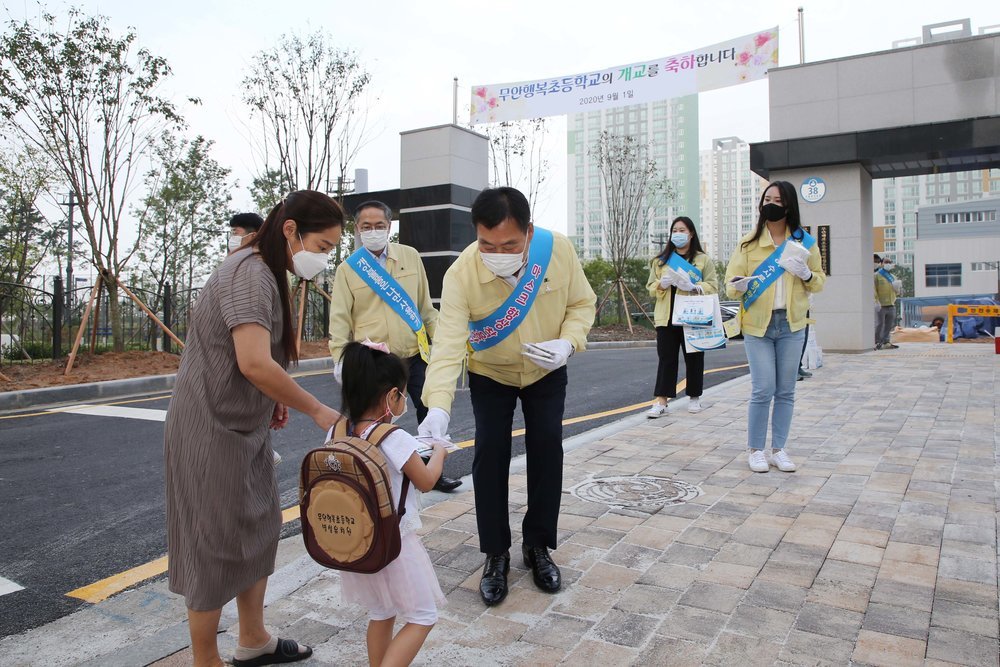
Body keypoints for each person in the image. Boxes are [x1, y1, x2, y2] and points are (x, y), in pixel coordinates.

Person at [164, 191, 344, 667]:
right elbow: (253, 362)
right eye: (322, 247)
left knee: (259, 527)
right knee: (212, 544)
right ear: (291, 231)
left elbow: (258, 367)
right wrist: (318, 411)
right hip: (209, 428)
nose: (323, 259)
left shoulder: (266, 270)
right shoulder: (248, 275)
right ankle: (206, 659)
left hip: (243, 423)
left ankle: (254, 638)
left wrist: (270, 402)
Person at [418, 187, 596, 607]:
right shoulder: (463, 272)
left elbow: (582, 304)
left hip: (545, 369)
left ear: (529, 234)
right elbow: (447, 344)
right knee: (490, 454)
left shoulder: (558, 251)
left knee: (547, 449)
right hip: (492, 373)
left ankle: (538, 546)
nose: (497, 253)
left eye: (510, 244)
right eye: (486, 244)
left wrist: (568, 344)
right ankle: (495, 552)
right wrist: (437, 407)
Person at [328, 200, 461, 493]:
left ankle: (433, 475)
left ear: (389, 227)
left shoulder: (410, 257)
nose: (373, 231)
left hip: (415, 355)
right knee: (373, 423)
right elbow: (339, 321)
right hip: (375, 363)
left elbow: (426, 308)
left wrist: (441, 343)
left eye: (379, 226)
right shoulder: (348, 270)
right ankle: (372, 477)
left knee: (429, 410)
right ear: (357, 229)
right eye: (366, 227)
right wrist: (341, 361)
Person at [335, 340, 447, 667]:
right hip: (394, 544)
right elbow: (426, 480)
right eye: (401, 394)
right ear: (389, 397)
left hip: (358, 542)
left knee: (382, 611)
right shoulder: (393, 437)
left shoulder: (337, 429)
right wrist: (439, 451)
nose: (403, 401)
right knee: (423, 615)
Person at [725, 180, 825, 474]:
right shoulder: (748, 243)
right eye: (767, 198)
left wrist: (806, 274)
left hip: (792, 325)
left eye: (778, 200)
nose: (771, 204)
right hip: (758, 326)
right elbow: (730, 285)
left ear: (789, 205)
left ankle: (779, 449)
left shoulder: (804, 244)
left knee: (786, 390)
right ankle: (755, 449)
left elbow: (819, 281)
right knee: (763, 388)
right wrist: (739, 285)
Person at [644, 216, 718, 417]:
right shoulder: (661, 261)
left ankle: (694, 397)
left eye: (682, 230)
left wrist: (695, 287)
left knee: (694, 357)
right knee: (666, 358)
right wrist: (662, 284)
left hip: (692, 315)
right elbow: (650, 287)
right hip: (666, 316)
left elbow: (713, 285)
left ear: (691, 233)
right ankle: (661, 400)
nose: (678, 234)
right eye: (674, 230)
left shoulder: (703, 260)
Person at [227, 211, 283, 466]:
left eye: (235, 234)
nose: (231, 239)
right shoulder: (243, 272)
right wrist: (315, 410)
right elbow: (255, 362)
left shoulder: (256, 271)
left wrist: (277, 393)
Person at [874, 254, 900, 349]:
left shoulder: (893, 277)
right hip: (881, 304)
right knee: (880, 324)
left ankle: (886, 341)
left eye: (890, 262)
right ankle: (877, 342)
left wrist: (898, 290)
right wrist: (876, 301)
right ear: (882, 264)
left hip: (891, 304)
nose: (888, 264)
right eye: (886, 262)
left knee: (889, 325)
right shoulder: (877, 276)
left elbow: (896, 291)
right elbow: (874, 289)